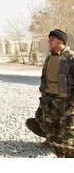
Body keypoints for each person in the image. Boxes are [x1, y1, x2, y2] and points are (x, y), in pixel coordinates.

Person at [32, 29, 74, 157]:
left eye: (52, 38)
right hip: (50, 103)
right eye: (49, 38)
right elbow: (44, 82)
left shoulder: (71, 58)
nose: (49, 40)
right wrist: (43, 104)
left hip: (67, 104)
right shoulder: (49, 59)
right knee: (53, 137)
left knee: (69, 139)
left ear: (61, 41)